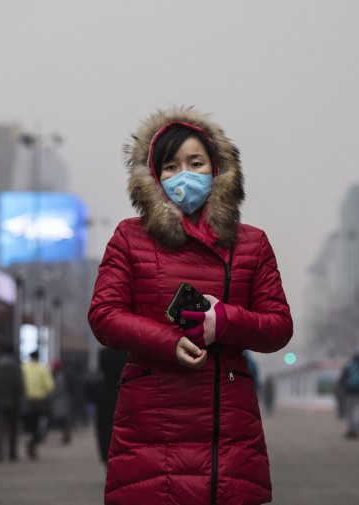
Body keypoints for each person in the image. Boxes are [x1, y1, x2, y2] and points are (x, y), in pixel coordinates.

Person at [88, 107, 293, 504]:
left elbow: (279, 326)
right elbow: (103, 315)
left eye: (195, 163)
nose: (184, 174)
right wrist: (168, 342)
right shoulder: (129, 238)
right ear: (153, 177)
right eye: (170, 166)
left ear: (218, 170)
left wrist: (225, 321)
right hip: (151, 421)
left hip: (228, 426)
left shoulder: (252, 244)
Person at [0, 343, 24, 463]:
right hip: (13, 402)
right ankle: (12, 453)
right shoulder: (16, 367)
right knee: (13, 429)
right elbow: (20, 385)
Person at [21, 349, 54, 460]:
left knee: (27, 424)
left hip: (26, 401)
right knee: (37, 424)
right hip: (39, 402)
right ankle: (33, 442)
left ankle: (28, 437)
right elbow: (50, 387)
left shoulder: (23, 368)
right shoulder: (43, 369)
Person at [336, 353, 359, 439]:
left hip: (348, 393)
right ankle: (356, 430)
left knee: (350, 412)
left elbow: (342, 379)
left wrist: (341, 388)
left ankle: (350, 429)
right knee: (357, 411)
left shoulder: (348, 367)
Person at [49, 359, 72, 445]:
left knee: (63, 420)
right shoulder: (61, 376)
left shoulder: (59, 377)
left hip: (60, 402)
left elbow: (57, 390)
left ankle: (66, 437)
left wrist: (51, 396)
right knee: (64, 421)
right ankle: (66, 436)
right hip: (62, 401)